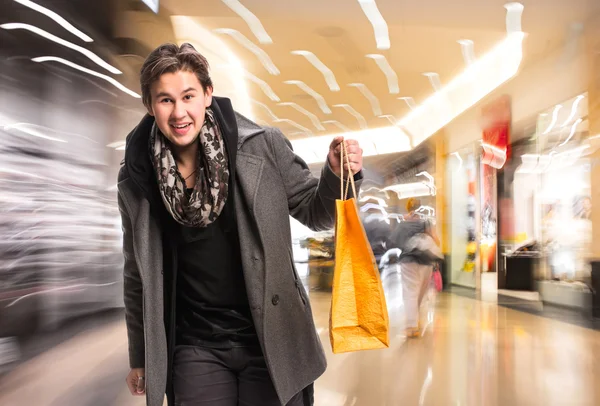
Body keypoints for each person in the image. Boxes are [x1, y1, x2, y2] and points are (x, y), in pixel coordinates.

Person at [117, 43, 364, 406]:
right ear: (149, 106)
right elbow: (136, 274)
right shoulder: (137, 178)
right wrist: (139, 355)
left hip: (270, 339)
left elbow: (317, 214)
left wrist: (336, 176)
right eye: (165, 100)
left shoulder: (261, 147)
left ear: (207, 94)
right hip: (195, 345)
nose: (179, 112)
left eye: (188, 96)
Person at [388, 198, 440, 338]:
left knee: (410, 292)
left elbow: (392, 242)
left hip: (408, 261)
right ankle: (416, 320)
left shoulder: (403, 224)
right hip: (426, 262)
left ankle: (412, 326)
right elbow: (437, 241)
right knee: (420, 293)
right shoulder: (426, 222)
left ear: (407, 207)